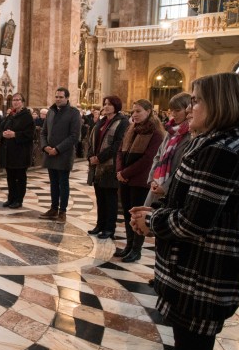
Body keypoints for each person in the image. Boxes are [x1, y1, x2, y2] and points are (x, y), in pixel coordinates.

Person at [130, 73, 239, 350]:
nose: (190, 109)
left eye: (197, 100)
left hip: (203, 270)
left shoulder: (221, 150)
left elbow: (194, 222)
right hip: (198, 266)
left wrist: (151, 221)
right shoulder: (215, 142)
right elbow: (191, 203)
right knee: (190, 348)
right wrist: (157, 209)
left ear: (221, 104)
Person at [115, 99, 164, 262]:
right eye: (133, 111)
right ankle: (128, 246)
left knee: (137, 215)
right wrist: (120, 171)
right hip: (125, 179)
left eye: (138, 111)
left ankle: (136, 250)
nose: (134, 114)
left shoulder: (156, 133)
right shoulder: (131, 129)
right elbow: (120, 151)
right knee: (128, 214)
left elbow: (148, 159)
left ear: (149, 111)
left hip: (140, 180)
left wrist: (126, 172)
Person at [86, 96, 129, 240]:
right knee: (99, 198)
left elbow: (118, 144)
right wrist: (91, 155)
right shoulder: (102, 121)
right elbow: (91, 140)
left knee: (110, 198)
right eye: (105, 104)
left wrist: (99, 158)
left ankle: (109, 228)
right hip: (97, 167)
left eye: (110, 104)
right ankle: (100, 224)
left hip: (110, 166)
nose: (107, 106)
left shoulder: (122, 122)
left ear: (116, 106)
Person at [38, 87, 81, 223]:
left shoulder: (73, 113)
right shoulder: (50, 111)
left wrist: (58, 149)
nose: (58, 99)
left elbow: (74, 136)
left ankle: (62, 211)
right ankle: (53, 208)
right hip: (50, 152)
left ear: (67, 98)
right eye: (56, 96)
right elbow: (43, 132)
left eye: (61, 97)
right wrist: (45, 146)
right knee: (53, 183)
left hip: (64, 154)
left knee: (63, 183)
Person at [144, 92, 192, 206]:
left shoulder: (191, 135)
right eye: (172, 110)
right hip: (157, 182)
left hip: (173, 188)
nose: (173, 114)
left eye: (177, 110)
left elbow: (182, 166)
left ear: (188, 110)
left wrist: (165, 187)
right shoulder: (171, 131)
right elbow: (158, 156)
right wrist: (153, 179)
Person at [0, 92, 35, 208]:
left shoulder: (27, 116)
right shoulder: (10, 115)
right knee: (10, 177)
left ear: (22, 102)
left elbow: (30, 134)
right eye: (14, 100)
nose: (15, 102)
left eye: (18, 100)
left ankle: (19, 200)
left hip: (21, 152)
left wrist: (15, 135)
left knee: (20, 177)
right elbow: (0, 129)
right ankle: (11, 198)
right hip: (9, 151)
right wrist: (3, 134)